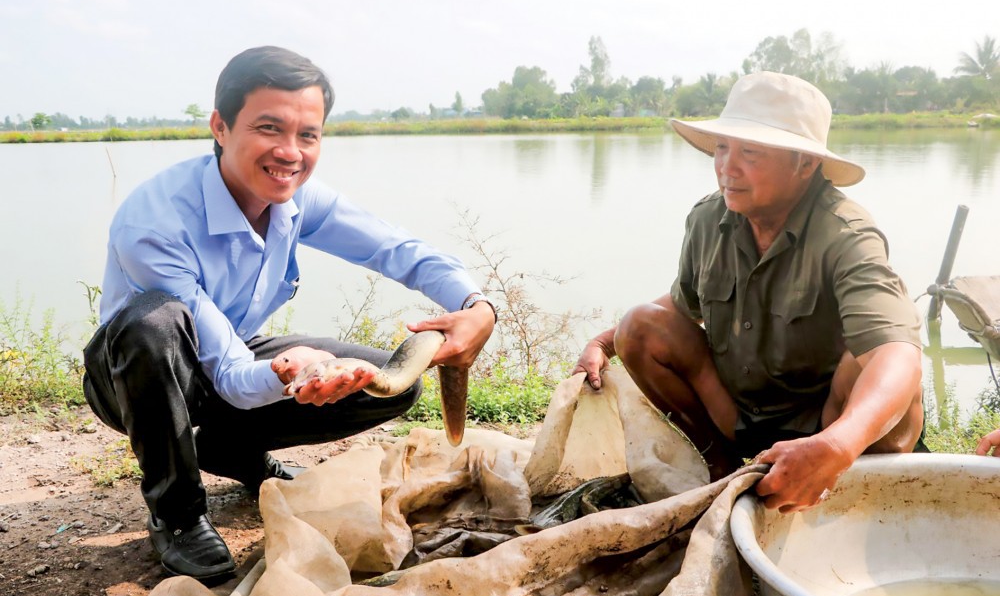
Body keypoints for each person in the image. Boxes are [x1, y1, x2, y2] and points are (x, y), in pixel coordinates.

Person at [81, 46, 496, 581]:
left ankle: (232, 453)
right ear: (221, 126)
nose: (290, 152)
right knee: (153, 321)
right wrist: (293, 368)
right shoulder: (155, 222)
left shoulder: (298, 198)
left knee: (394, 382)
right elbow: (228, 375)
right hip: (137, 376)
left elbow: (396, 249)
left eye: (308, 135)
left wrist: (475, 304)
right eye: (269, 128)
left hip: (228, 355)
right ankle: (178, 514)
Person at [573, 71, 923, 514]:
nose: (726, 167)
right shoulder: (708, 220)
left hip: (827, 421)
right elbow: (677, 308)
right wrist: (605, 341)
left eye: (750, 152)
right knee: (640, 325)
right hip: (745, 415)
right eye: (722, 148)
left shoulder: (846, 233)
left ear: (804, 163)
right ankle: (720, 465)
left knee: (872, 359)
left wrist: (836, 443)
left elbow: (898, 355)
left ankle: (837, 483)